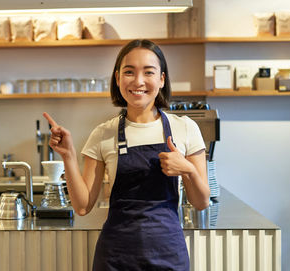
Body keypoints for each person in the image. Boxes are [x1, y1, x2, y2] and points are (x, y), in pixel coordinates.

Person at [43, 39, 210, 270]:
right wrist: (68, 155)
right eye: (129, 72)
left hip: (168, 253)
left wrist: (188, 170)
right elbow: (82, 207)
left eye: (148, 72)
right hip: (116, 256)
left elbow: (201, 202)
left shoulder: (185, 128)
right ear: (118, 78)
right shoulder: (102, 133)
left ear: (162, 79)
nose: (138, 81)